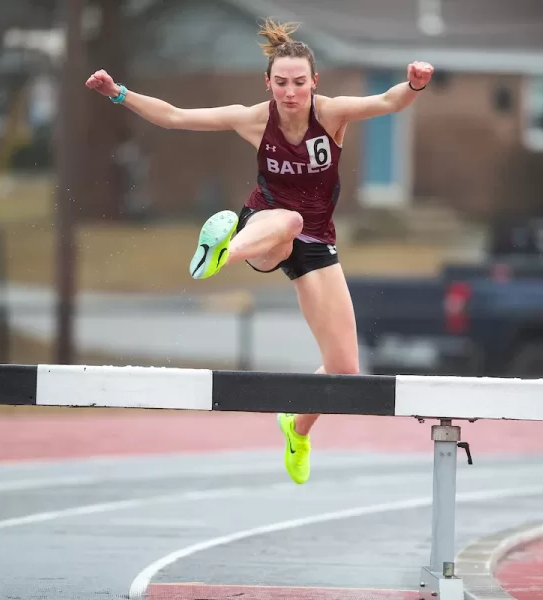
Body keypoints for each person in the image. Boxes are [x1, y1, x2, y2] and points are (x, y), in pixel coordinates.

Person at [85, 18, 434, 484]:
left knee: (346, 369)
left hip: (317, 246)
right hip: (263, 230)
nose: (290, 93)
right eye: (281, 83)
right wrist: (118, 93)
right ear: (267, 83)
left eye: (299, 83)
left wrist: (414, 84)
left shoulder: (332, 114)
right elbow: (175, 116)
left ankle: (297, 424)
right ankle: (219, 253)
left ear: (314, 82)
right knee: (289, 220)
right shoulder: (254, 118)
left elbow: (390, 101)